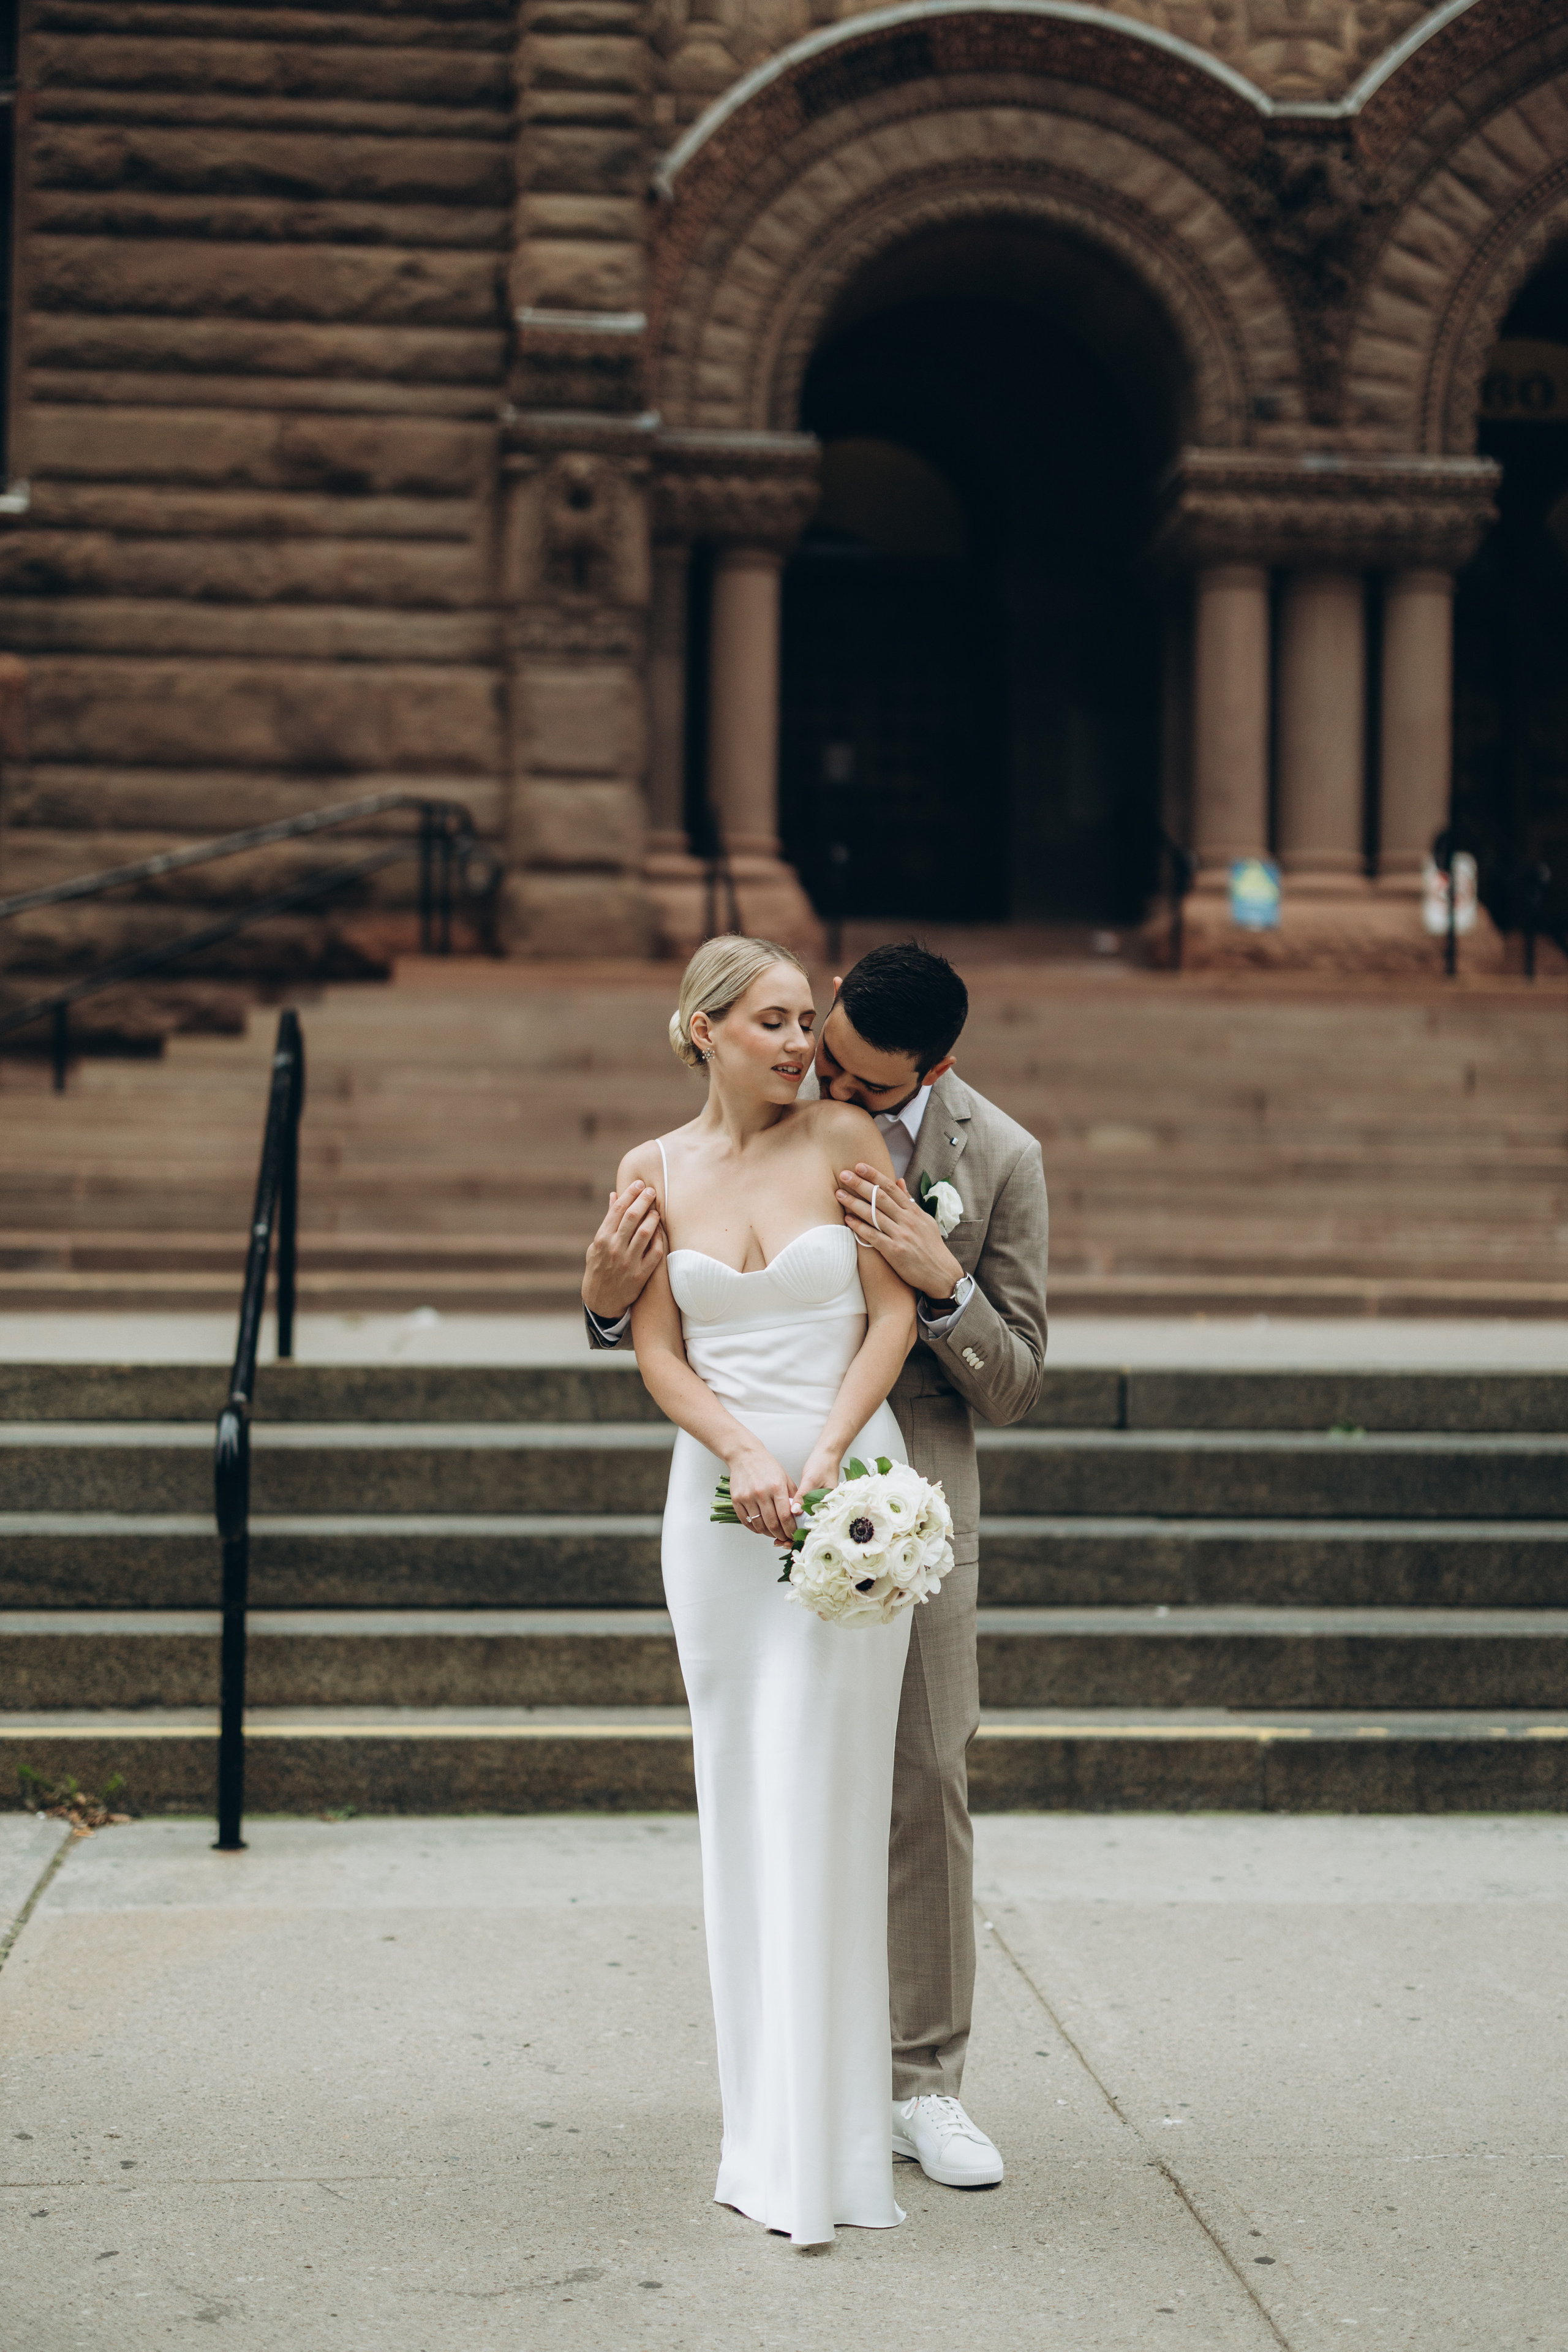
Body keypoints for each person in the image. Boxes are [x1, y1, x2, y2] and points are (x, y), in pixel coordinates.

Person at [586, 940, 1049, 2195]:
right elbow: (644, 1307)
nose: (821, 1073)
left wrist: (937, 1275)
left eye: (854, 1072)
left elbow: (1012, 1377)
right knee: (765, 1778)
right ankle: (796, 2071)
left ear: (931, 1071)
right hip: (740, 1491)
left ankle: (922, 2084)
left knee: (924, 1772)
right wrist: (599, 1301)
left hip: (905, 1491)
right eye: (809, 1042)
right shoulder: (762, 1106)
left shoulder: (996, 1158)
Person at [618, 933, 918, 2247]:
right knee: (741, 1793)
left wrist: (821, 1451)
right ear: (703, 1029)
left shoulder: (848, 1143)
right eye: (776, 1021)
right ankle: (764, 2134)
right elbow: (652, 1345)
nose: (804, 1043)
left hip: (848, 1492)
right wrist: (737, 1450)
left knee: (829, 1800)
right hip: (715, 1509)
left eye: (810, 1020)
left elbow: (893, 1315)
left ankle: (841, 2144)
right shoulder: (649, 1172)